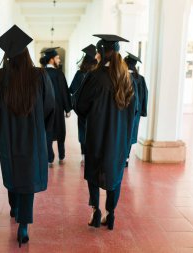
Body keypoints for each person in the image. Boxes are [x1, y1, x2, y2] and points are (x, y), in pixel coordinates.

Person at [0, 25, 55, 247]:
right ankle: (23, 225)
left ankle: (14, 209)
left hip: (9, 138)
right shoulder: (40, 76)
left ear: (8, 55)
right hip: (33, 139)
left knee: (14, 173)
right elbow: (51, 107)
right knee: (28, 178)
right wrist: (43, 130)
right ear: (27, 53)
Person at [74, 34, 136, 230]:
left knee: (93, 171)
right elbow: (134, 110)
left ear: (101, 53)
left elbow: (80, 105)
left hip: (96, 132)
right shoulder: (128, 79)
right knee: (115, 171)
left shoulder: (93, 76)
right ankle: (111, 213)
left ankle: (95, 211)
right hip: (119, 136)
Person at [41, 47, 72, 166]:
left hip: (45, 108)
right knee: (60, 131)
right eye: (57, 58)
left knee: (47, 131)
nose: (59, 60)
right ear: (52, 59)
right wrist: (67, 108)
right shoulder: (59, 74)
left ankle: (49, 158)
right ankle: (61, 155)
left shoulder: (41, 73)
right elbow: (64, 91)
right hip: (58, 107)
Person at [69, 44, 98, 166]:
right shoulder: (98, 73)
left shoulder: (80, 73)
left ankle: (84, 156)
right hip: (96, 109)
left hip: (82, 109)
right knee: (95, 131)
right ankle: (94, 155)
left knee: (83, 131)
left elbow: (71, 89)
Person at [124, 52, 148, 167]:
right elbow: (145, 95)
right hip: (135, 112)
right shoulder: (140, 78)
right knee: (131, 133)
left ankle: (121, 156)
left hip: (122, 110)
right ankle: (127, 158)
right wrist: (143, 111)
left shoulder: (122, 76)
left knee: (121, 133)